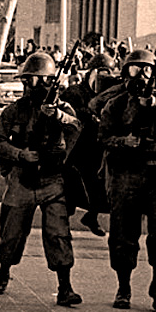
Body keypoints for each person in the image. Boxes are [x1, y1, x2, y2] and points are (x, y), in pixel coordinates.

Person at [0, 52, 83, 306]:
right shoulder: (14, 110)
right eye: (29, 80)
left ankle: (65, 287)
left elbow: (76, 127)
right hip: (22, 179)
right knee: (12, 232)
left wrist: (57, 116)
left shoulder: (62, 109)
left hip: (52, 181)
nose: (33, 85)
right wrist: (20, 155)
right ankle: (2, 274)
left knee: (58, 233)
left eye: (40, 80)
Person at [98, 50, 156, 312]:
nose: (142, 76)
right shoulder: (116, 104)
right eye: (136, 69)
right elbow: (103, 136)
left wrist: (152, 105)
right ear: (125, 73)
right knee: (122, 232)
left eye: (147, 70)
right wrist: (124, 141)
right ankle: (124, 286)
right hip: (127, 172)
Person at [61, 52, 119, 236]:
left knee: (101, 187)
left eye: (107, 73)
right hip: (77, 147)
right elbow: (66, 111)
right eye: (99, 72)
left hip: (98, 148)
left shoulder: (111, 95)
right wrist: (87, 113)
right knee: (72, 187)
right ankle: (63, 225)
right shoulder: (75, 92)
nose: (102, 77)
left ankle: (91, 216)